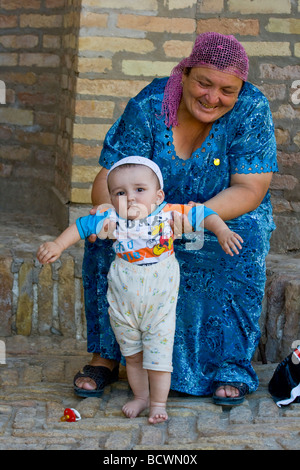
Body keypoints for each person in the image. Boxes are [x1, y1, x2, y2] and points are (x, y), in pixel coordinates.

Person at [74, 32, 278, 406]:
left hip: (222, 209)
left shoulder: (252, 109)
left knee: (239, 239)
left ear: (240, 89)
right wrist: (112, 212)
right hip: (148, 209)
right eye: (204, 82)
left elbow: (250, 188)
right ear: (184, 74)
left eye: (226, 90)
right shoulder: (150, 104)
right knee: (107, 235)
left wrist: (197, 219)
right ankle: (106, 355)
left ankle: (227, 367)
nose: (212, 97)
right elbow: (109, 176)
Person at [37, 156, 243, 422]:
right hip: (124, 306)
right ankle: (141, 397)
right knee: (132, 358)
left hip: (158, 307)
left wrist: (222, 231)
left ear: (158, 195)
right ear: (112, 199)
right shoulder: (113, 220)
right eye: (120, 193)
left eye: (139, 190)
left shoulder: (169, 214)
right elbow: (81, 226)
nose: (130, 198)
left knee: (158, 359)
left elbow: (203, 214)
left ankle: (158, 403)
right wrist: (57, 245)